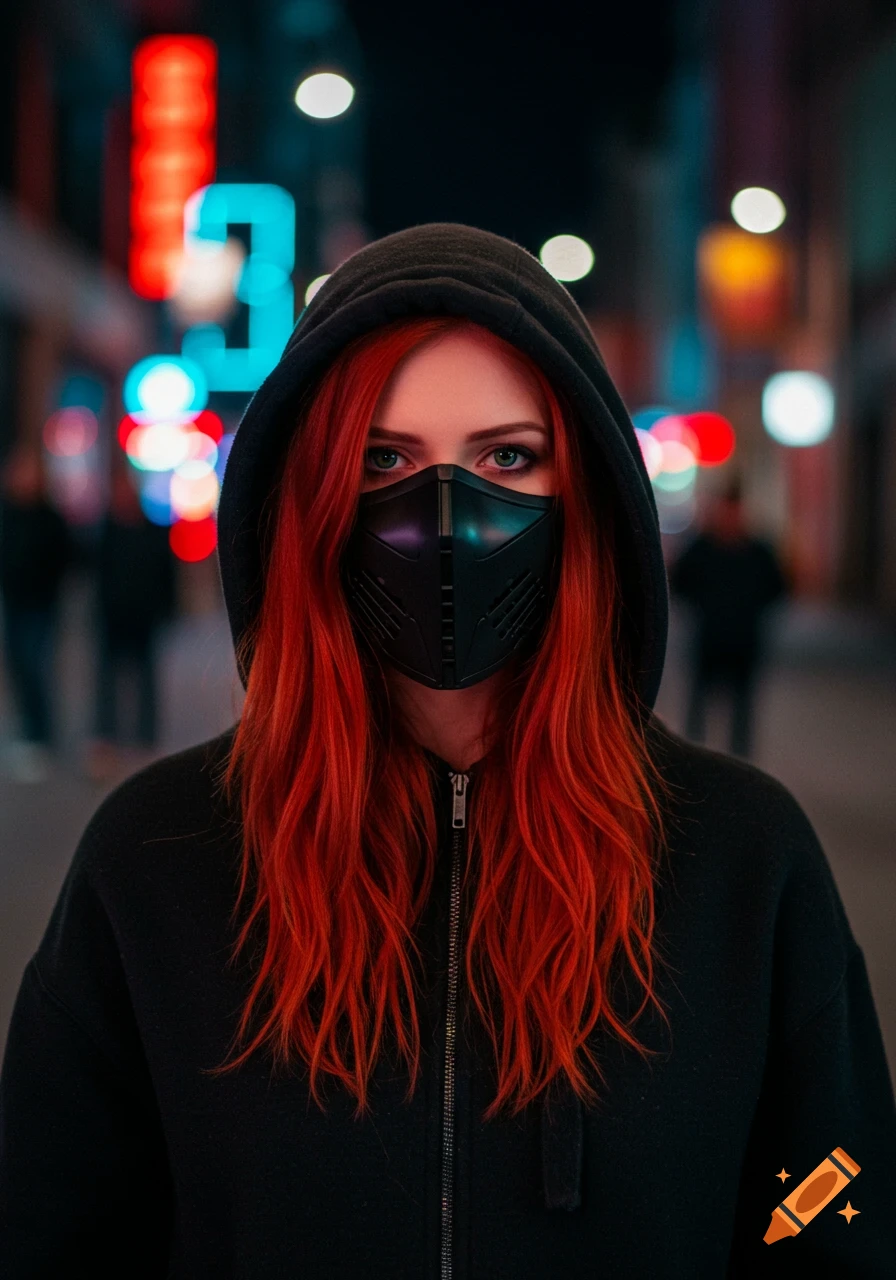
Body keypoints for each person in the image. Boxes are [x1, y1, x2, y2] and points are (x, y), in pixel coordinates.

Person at [1, 224, 894, 1278]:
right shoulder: (156, 860)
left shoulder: (741, 862)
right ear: (309, 494)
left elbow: (833, 1238)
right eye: (384, 458)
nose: (443, 515)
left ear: (590, 500)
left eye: (506, 456)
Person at [669, 478, 788, 758]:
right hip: (708, 639)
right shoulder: (701, 548)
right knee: (698, 707)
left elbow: (778, 587)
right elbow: (679, 582)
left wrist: (752, 609)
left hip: (745, 642)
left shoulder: (758, 551)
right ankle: (693, 760)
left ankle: (741, 761)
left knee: (742, 710)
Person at [85, 459, 177, 782]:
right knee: (107, 681)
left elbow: (166, 574)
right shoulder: (104, 531)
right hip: (112, 617)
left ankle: (144, 740)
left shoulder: (152, 529)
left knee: (146, 680)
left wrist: (167, 609)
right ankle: (106, 740)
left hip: (143, 616)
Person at [0, 446, 73, 782]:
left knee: (34, 664)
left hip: (42, 603)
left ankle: (39, 736)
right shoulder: (8, 515)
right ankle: (31, 732)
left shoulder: (49, 517)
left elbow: (67, 558)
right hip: (14, 602)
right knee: (18, 665)